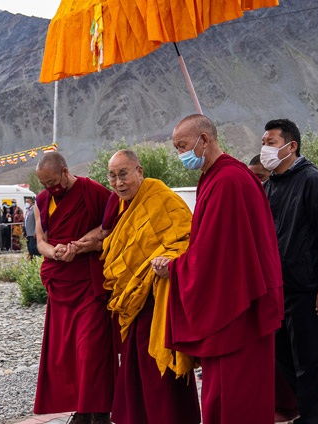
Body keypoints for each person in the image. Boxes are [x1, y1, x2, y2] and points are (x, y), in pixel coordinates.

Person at [155, 114, 284, 424]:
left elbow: (213, 255)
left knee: (234, 400)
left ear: (205, 140)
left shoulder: (228, 181)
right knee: (226, 396)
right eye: (176, 147)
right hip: (239, 301)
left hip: (236, 309)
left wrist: (175, 268)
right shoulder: (220, 175)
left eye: (183, 145)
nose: (180, 154)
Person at [98, 150, 200, 424]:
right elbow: (119, 246)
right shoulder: (120, 206)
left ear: (139, 171)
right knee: (134, 366)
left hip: (158, 299)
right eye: (113, 176)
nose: (119, 183)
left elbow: (188, 239)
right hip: (133, 300)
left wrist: (169, 260)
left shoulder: (162, 198)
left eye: (124, 174)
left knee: (159, 366)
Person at [261, 118, 318, 424]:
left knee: (309, 366)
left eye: (270, 142)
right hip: (278, 289)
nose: (265, 148)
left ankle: (313, 418)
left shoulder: (313, 181)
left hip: (309, 290)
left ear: (291, 145)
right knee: (284, 360)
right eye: (264, 142)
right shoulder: (268, 186)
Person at [32, 151, 114, 424]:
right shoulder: (43, 200)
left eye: (53, 182)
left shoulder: (95, 192)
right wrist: (53, 252)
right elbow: (40, 239)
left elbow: (109, 229)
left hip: (89, 284)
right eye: (44, 184)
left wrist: (79, 246)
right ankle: (80, 410)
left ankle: (100, 412)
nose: (49, 189)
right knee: (66, 353)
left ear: (65, 172)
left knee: (92, 350)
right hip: (60, 283)